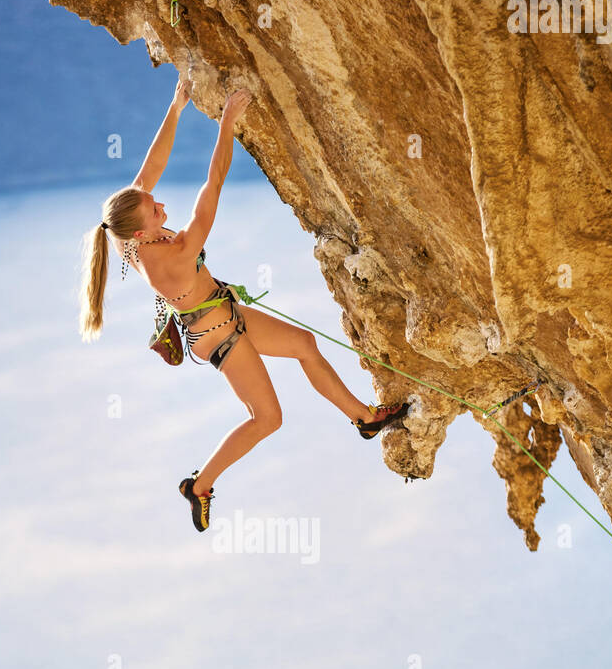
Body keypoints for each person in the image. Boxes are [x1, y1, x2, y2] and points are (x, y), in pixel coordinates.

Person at [79, 75, 408, 532]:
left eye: (153, 201)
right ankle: (199, 485)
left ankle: (366, 420)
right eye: (154, 210)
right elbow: (212, 186)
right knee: (268, 418)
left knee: (305, 345)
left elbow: (148, 171)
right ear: (142, 232)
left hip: (221, 311)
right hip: (216, 336)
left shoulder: (125, 235)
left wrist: (175, 108)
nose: (160, 206)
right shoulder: (170, 257)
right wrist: (226, 124)